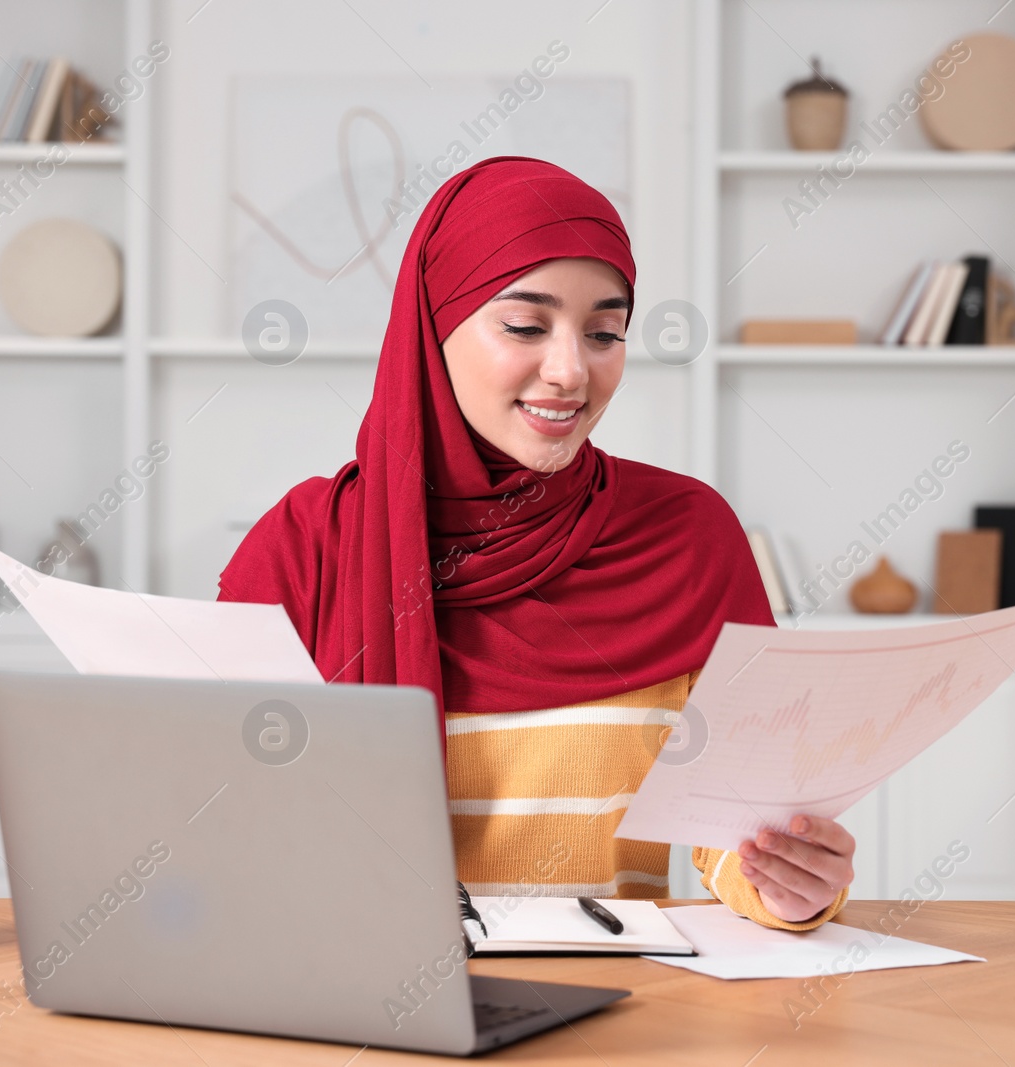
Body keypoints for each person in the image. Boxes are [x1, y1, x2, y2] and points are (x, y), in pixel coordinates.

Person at [218, 156, 853, 929]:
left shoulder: (689, 536)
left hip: (625, 1021)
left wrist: (790, 883)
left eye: (605, 332)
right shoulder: (305, 548)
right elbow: (223, 829)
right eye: (524, 325)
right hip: (370, 1021)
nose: (570, 370)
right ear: (433, 327)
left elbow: (734, 838)